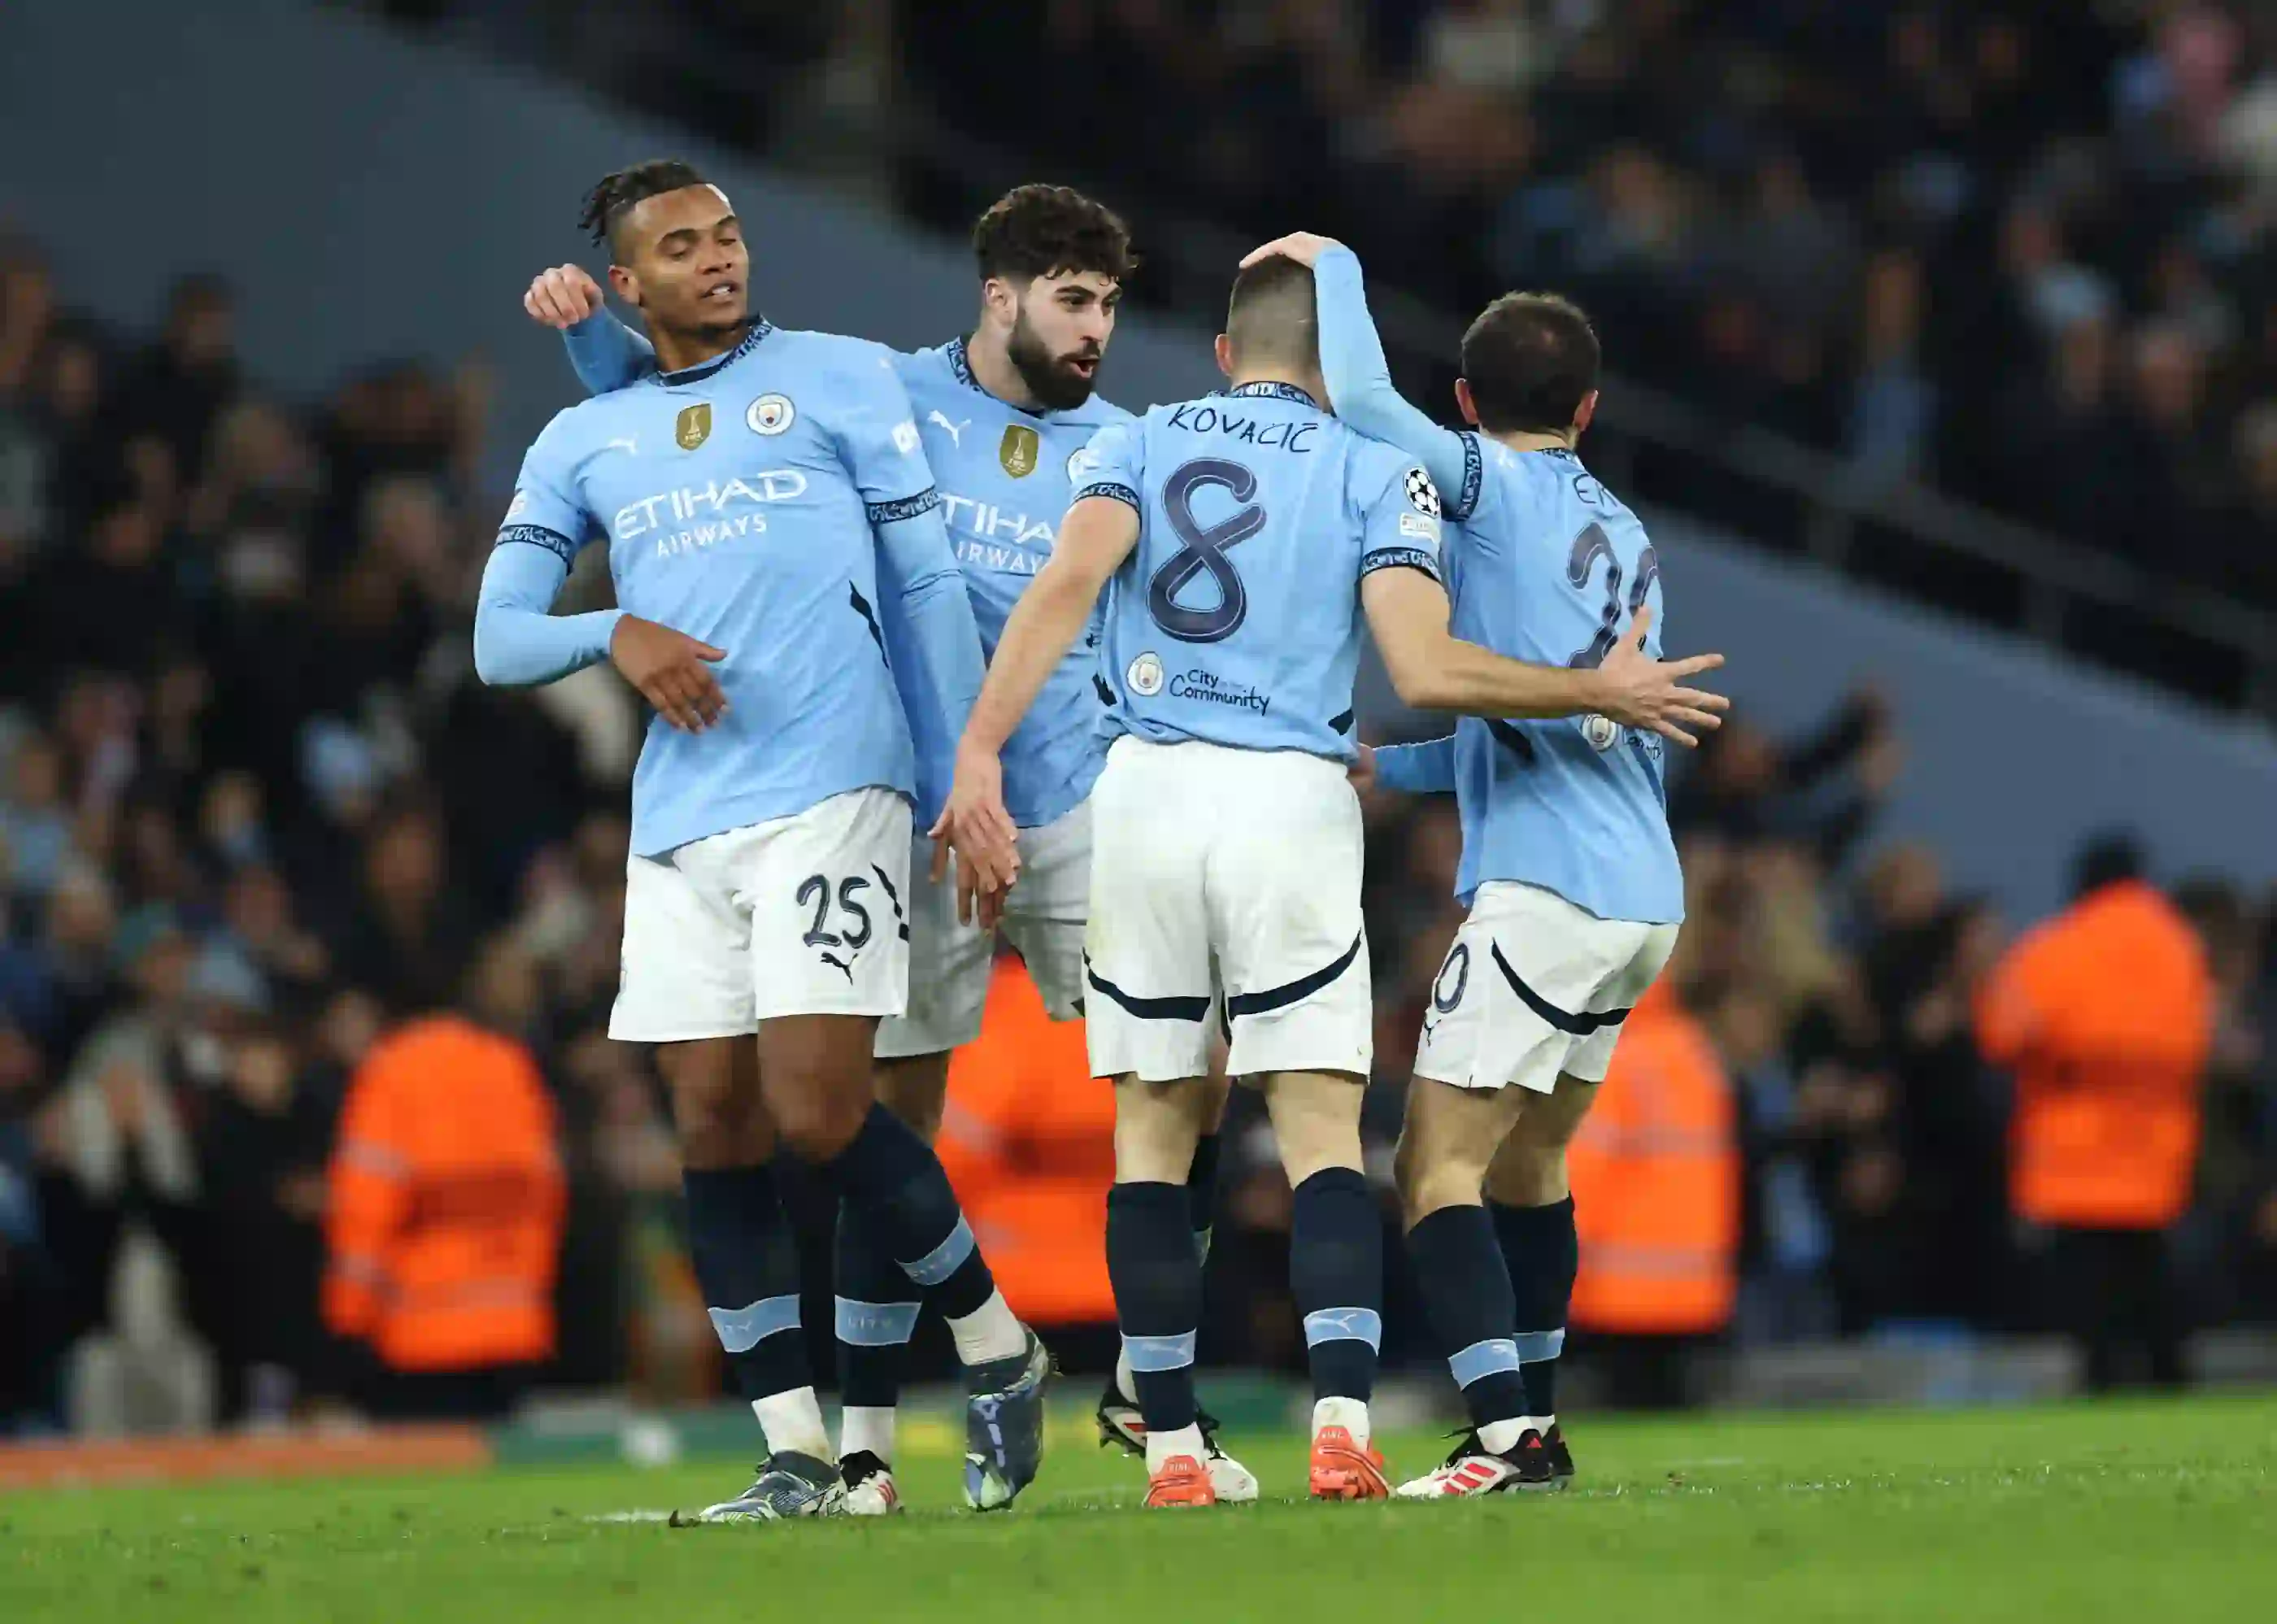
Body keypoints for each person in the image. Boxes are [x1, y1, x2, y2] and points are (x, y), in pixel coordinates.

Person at [939, 250, 1725, 1508]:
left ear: (1220, 356)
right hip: (1306, 806)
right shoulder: (1393, 474)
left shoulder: (1133, 442)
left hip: (1141, 788)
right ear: (1586, 410)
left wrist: (980, 748)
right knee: (1328, 1137)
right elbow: (1422, 662)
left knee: (1153, 1130)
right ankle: (1350, 1426)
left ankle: (1179, 1448)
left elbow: (1065, 585)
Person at [522, 183, 1254, 1506]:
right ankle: (862, 1447)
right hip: (917, 797)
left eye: (1109, 304)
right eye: (1074, 300)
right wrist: (586, 335)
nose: (1096, 329)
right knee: (876, 1111)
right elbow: (682, 418)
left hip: (1080, 798)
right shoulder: (889, 395)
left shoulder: (1135, 449)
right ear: (1000, 296)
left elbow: (1194, 629)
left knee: (1185, 1072)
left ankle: (1158, 1403)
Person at [472, 159, 1047, 1520]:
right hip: (681, 823)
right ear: (632, 284)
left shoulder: (844, 378)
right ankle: (796, 1452)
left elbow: (924, 582)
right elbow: (499, 636)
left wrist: (966, 770)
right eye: (682, 246)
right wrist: (611, 628)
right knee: (714, 1126)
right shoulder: (586, 440)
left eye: (727, 234)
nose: (719, 259)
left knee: (818, 1111)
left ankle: (997, 1344)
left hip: (837, 785)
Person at [1243, 230, 1709, 1496]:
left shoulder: (1488, 489)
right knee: (1529, 1163)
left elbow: (1364, 399)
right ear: (1592, 407)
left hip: (1550, 893)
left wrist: (1333, 262)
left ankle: (1509, 1438)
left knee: (1432, 1166)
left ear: (1467, 403)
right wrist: (1391, 772)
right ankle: (1536, 1424)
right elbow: (1564, 714)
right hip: (1639, 898)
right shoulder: (1626, 533)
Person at [1976, 834, 2214, 1391]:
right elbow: (2199, 1042)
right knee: (2154, 1291)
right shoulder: (2181, 949)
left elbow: (1999, 1032)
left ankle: (2108, 1394)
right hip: (2156, 1151)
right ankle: (2172, 1394)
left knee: (2094, 1309)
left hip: (2076, 1158)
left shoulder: (2058, 947)